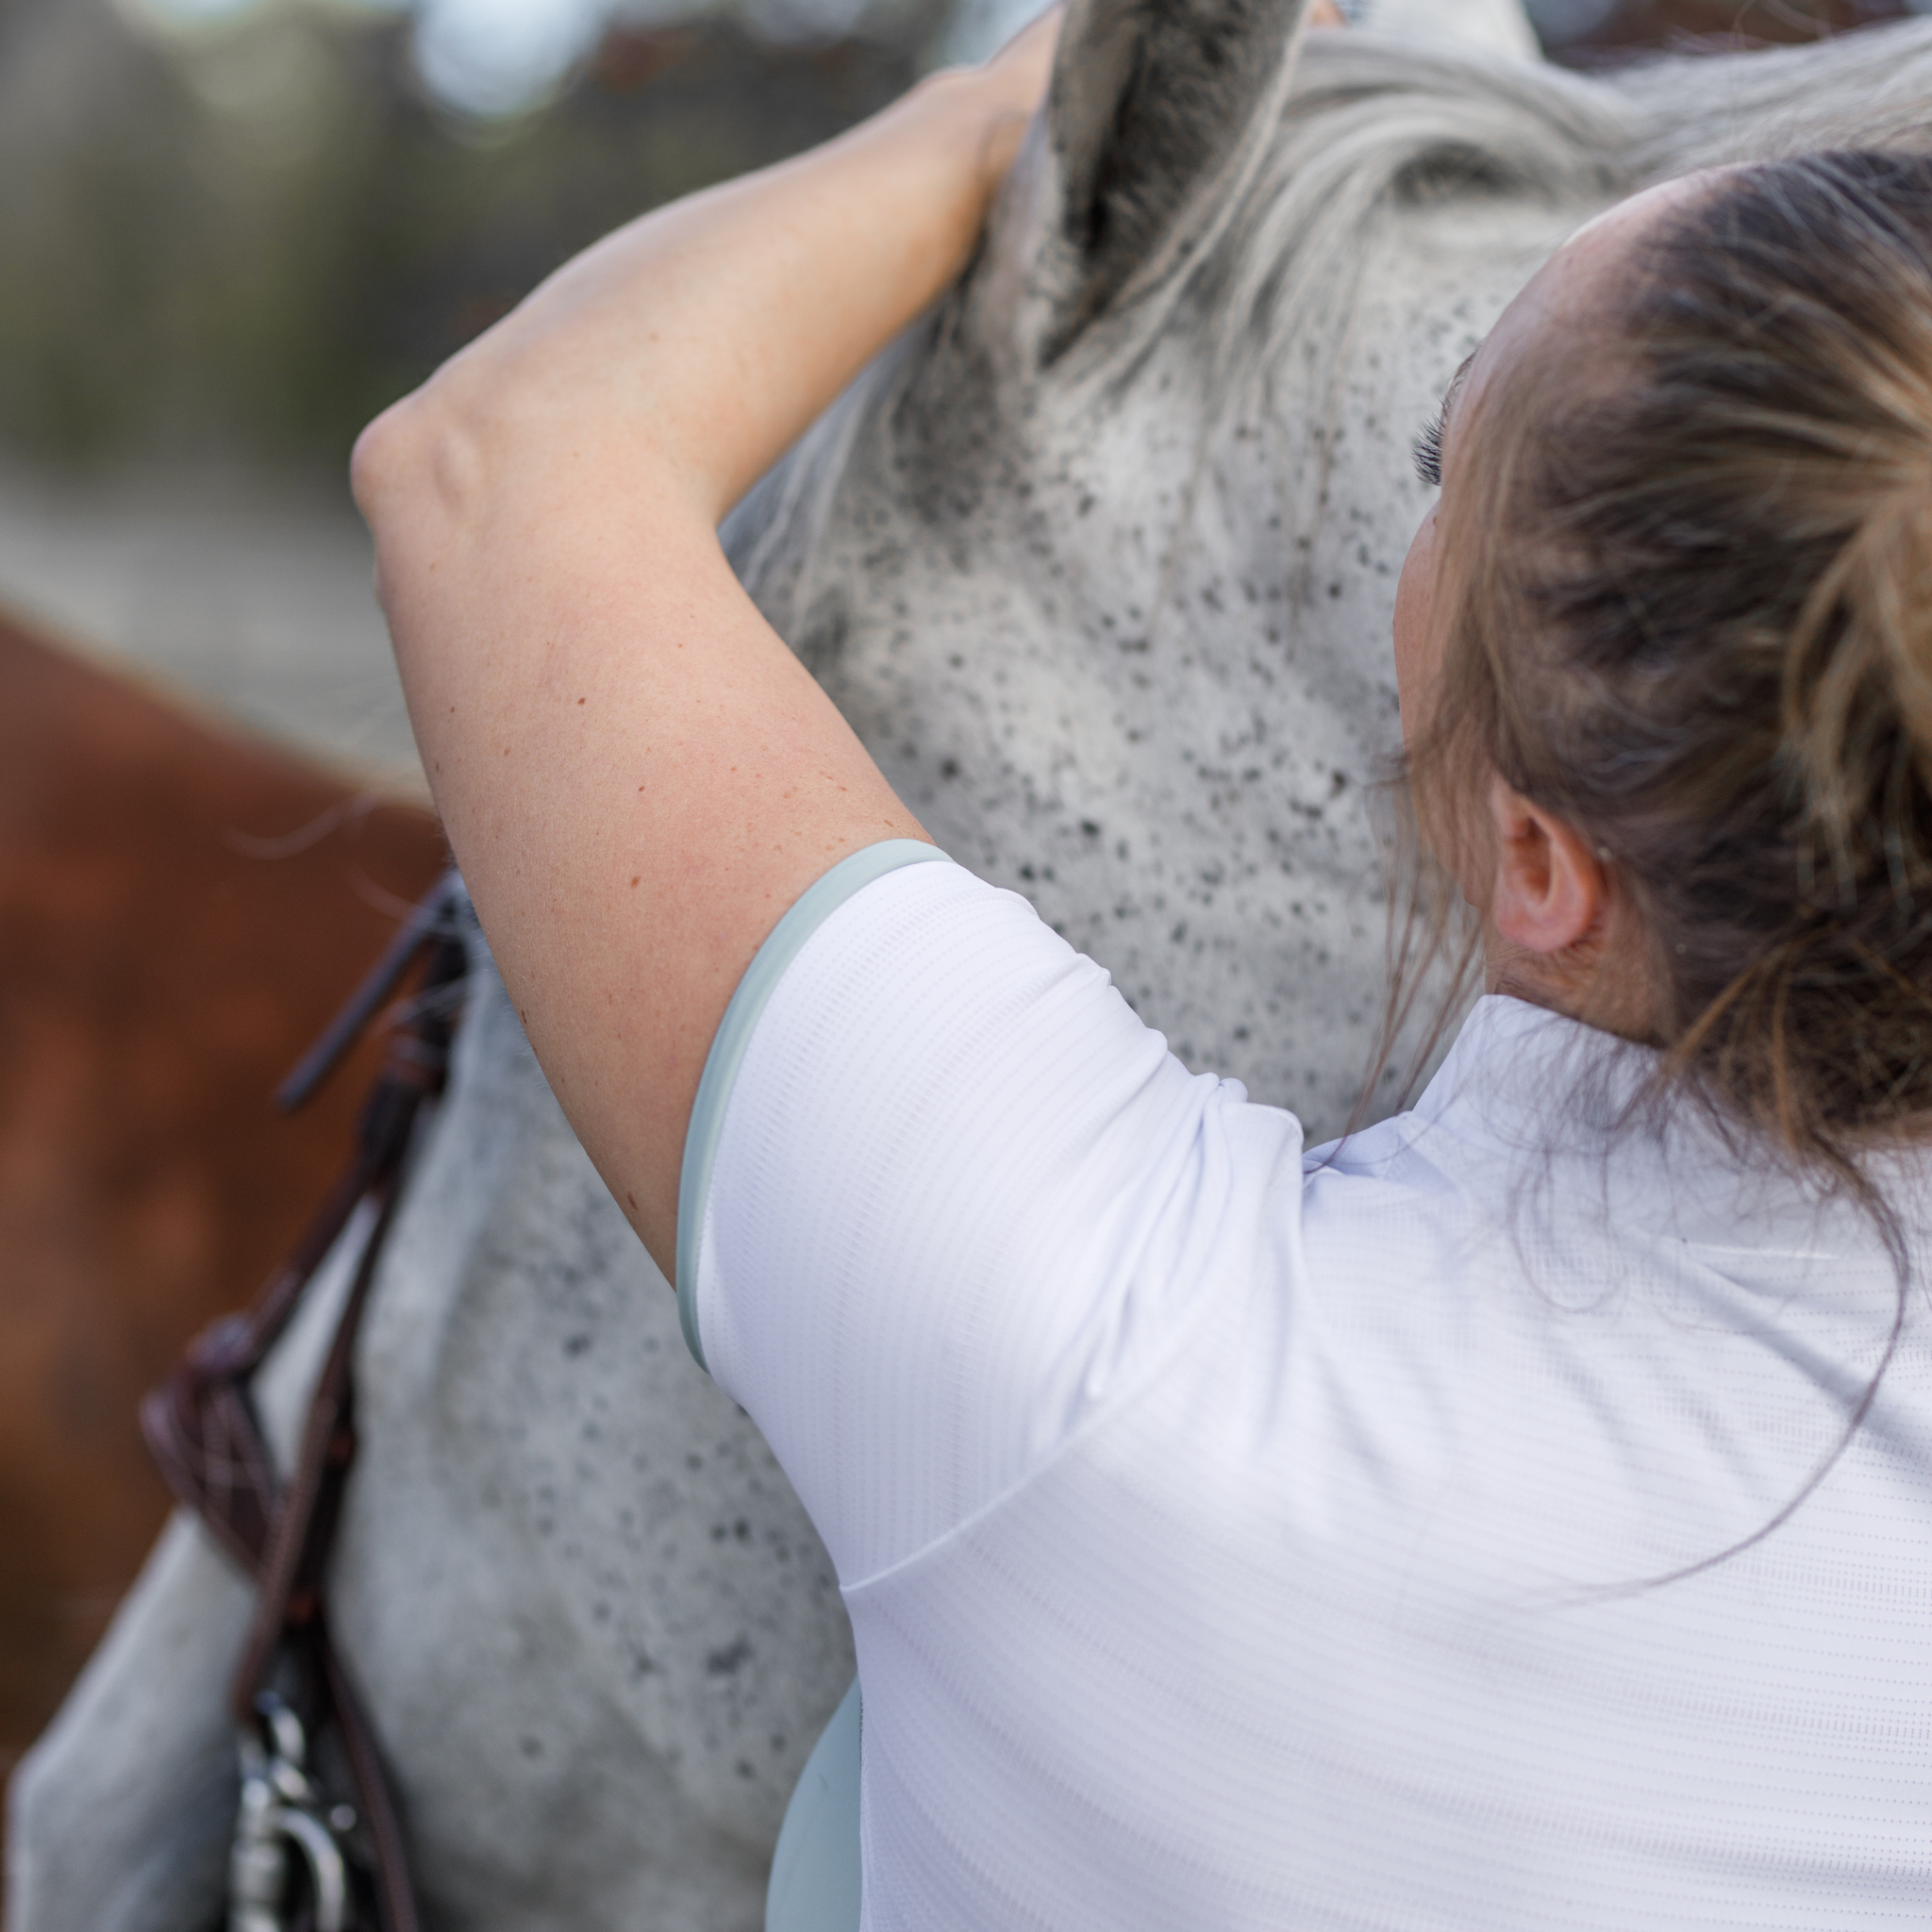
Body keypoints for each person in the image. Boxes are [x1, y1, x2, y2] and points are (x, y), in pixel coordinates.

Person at [350, 7, 1932, 1922]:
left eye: (1450, 455)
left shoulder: (1128, 1379)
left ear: (1537, 861)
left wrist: (1012, 107)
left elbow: (496, 463)